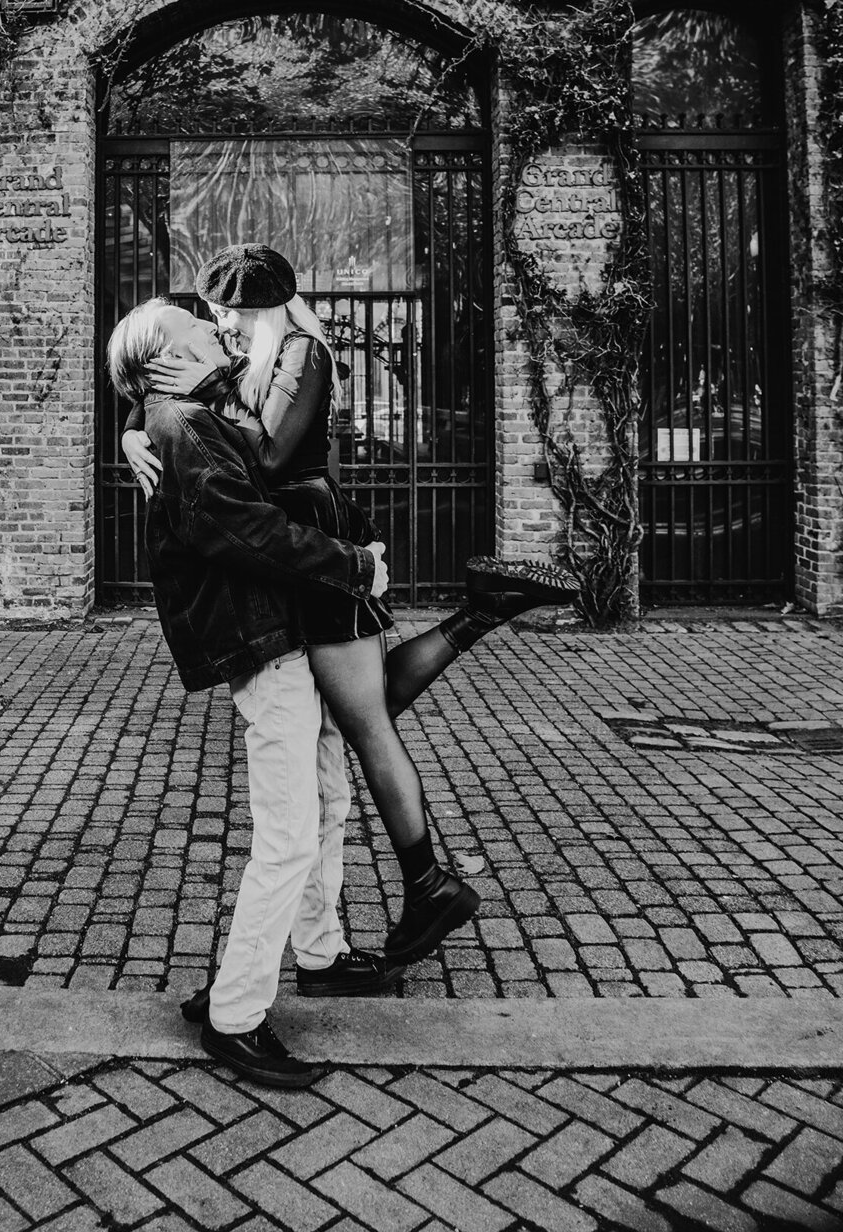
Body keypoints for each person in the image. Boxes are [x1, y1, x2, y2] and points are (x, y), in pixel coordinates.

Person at [122, 245, 579, 959]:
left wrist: (170, 427)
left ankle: (429, 882)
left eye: (236, 315)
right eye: (216, 316)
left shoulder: (302, 350)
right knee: (350, 712)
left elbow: (266, 459)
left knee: (362, 717)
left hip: (313, 534)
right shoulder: (239, 360)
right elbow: (153, 365)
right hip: (296, 545)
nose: (225, 327)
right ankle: (482, 613)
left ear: (268, 309)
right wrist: (136, 426)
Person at [107, 297, 401, 1091]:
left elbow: (170, 398)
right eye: (199, 328)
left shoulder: (179, 415)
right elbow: (249, 532)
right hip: (263, 646)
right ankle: (235, 1017)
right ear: (164, 361)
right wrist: (353, 565)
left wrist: (128, 423)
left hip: (283, 634)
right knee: (289, 835)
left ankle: (320, 953)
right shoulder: (186, 427)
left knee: (327, 797)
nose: (221, 329)